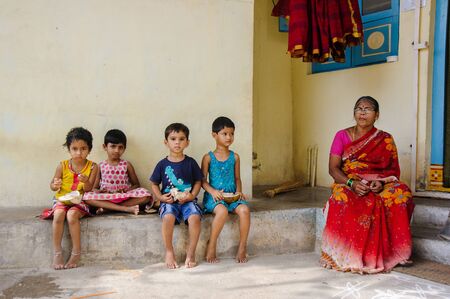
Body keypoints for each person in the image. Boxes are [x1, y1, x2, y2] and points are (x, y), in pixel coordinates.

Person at [321, 96, 415, 274]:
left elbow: (393, 171)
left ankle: (397, 252)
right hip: (348, 182)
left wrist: (380, 183)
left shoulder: (385, 139)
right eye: (358, 108)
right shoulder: (342, 135)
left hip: (379, 183)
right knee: (342, 197)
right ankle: (340, 254)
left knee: (401, 193)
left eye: (368, 109)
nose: (362, 112)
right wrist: (352, 183)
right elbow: (333, 169)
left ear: (377, 115)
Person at [149, 123, 203, 269]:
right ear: (166, 142)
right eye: (173, 138)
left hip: (187, 201)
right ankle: (169, 251)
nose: (177, 142)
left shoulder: (191, 163)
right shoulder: (162, 164)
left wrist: (192, 195)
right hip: (169, 202)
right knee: (168, 217)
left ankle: (191, 253)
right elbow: (154, 183)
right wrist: (160, 197)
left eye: (181, 139)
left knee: (195, 217)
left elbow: (199, 181)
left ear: (187, 142)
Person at [46, 127, 99, 270]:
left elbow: (89, 189)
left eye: (83, 149)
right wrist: (55, 184)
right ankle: (57, 252)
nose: (79, 153)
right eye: (74, 149)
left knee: (71, 215)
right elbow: (52, 185)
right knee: (59, 214)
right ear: (69, 149)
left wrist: (86, 180)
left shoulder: (93, 167)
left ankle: (76, 252)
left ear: (89, 149)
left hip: (80, 202)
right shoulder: (62, 166)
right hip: (62, 200)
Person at [201, 116, 250, 263]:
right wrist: (213, 192)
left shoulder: (235, 157)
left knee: (244, 211)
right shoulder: (208, 158)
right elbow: (202, 181)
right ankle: (212, 244)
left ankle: (242, 247)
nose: (229, 137)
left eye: (232, 133)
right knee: (221, 211)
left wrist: (239, 191)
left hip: (233, 196)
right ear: (214, 135)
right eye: (225, 134)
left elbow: (237, 179)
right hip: (214, 197)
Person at [83, 129, 152, 215]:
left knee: (146, 195)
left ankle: (108, 209)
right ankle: (123, 208)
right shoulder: (100, 166)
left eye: (120, 147)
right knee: (87, 197)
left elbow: (136, 185)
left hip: (123, 196)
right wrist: (100, 191)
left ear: (124, 148)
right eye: (113, 146)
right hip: (107, 197)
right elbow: (94, 188)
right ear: (105, 147)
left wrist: (126, 190)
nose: (116, 150)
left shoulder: (127, 164)